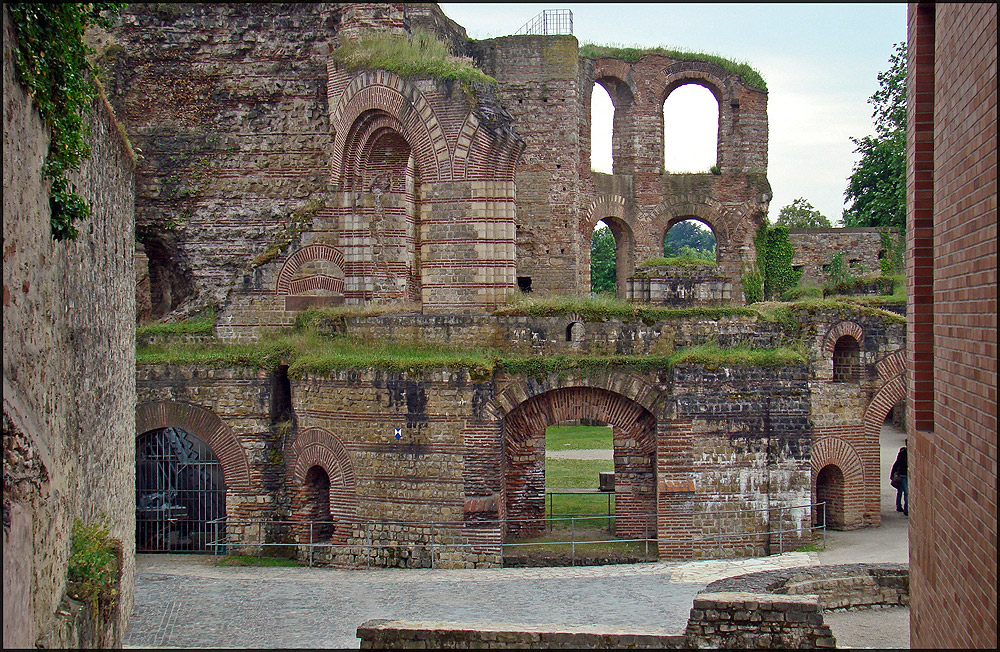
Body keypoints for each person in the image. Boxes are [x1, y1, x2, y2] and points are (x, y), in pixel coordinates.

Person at [890, 440, 908, 516]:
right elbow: (897, 463)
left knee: (901, 491)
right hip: (903, 474)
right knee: (905, 492)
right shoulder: (903, 453)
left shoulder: (904, 452)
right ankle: (905, 509)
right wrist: (892, 474)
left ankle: (900, 506)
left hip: (904, 474)